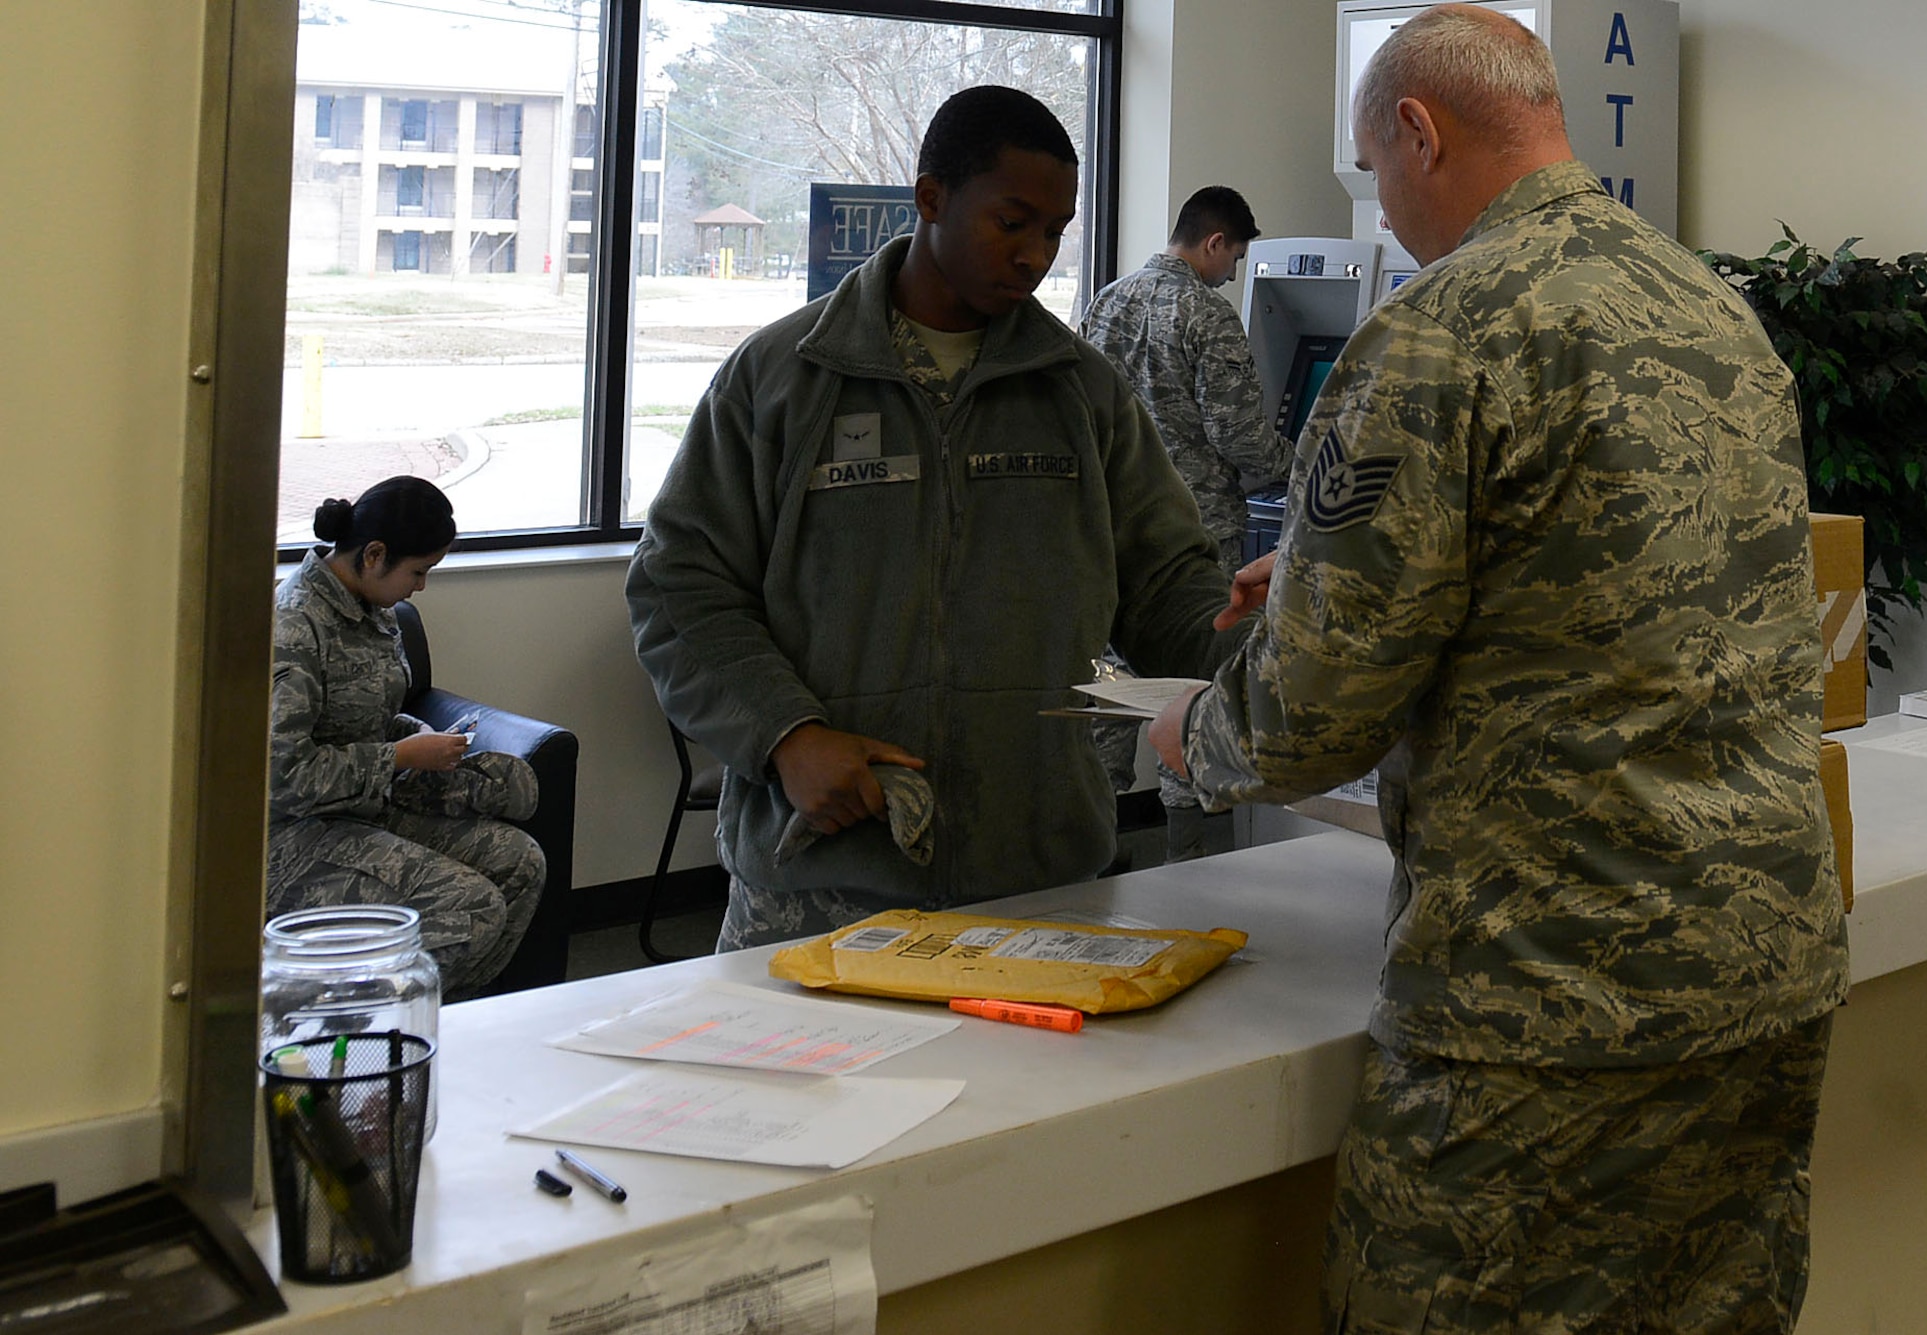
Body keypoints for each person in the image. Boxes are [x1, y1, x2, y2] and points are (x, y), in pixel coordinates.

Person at [1149, 8, 1849, 1331]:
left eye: (1375, 169)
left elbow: (1306, 719)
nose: (1383, 208)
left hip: (1548, 1003)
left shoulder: (1440, 328)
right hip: (1764, 966)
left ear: (1418, 131)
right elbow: (1609, 572)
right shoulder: (1712, 308)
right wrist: (1329, 564)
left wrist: (1193, 730)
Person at [627, 85, 1243, 952]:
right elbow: (679, 587)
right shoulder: (784, 377)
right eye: (1011, 222)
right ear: (930, 198)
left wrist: (1274, 648)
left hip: (1036, 881)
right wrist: (788, 736)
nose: (1035, 256)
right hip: (822, 885)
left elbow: (1168, 589)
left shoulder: (1081, 392)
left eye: (1056, 232)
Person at [267, 476, 545, 1000]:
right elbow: (281, 778)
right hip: (292, 838)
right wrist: (396, 758)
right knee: (471, 905)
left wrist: (423, 740)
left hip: (362, 809)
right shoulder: (295, 626)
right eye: (418, 572)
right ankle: (359, 1023)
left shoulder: (375, 611)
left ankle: (447, 1012)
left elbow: (369, 717)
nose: (420, 587)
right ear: (374, 555)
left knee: (519, 861)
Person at [1081, 186, 1295, 860]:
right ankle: (1190, 860)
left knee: (1113, 684)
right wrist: (1308, 467)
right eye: (1234, 257)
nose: (1232, 273)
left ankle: (1097, 849)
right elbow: (1242, 437)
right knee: (1192, 682)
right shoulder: (1207, 314)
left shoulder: (1107, 301)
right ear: (1214, 242)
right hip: (1194, 536)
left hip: (1112, 528)